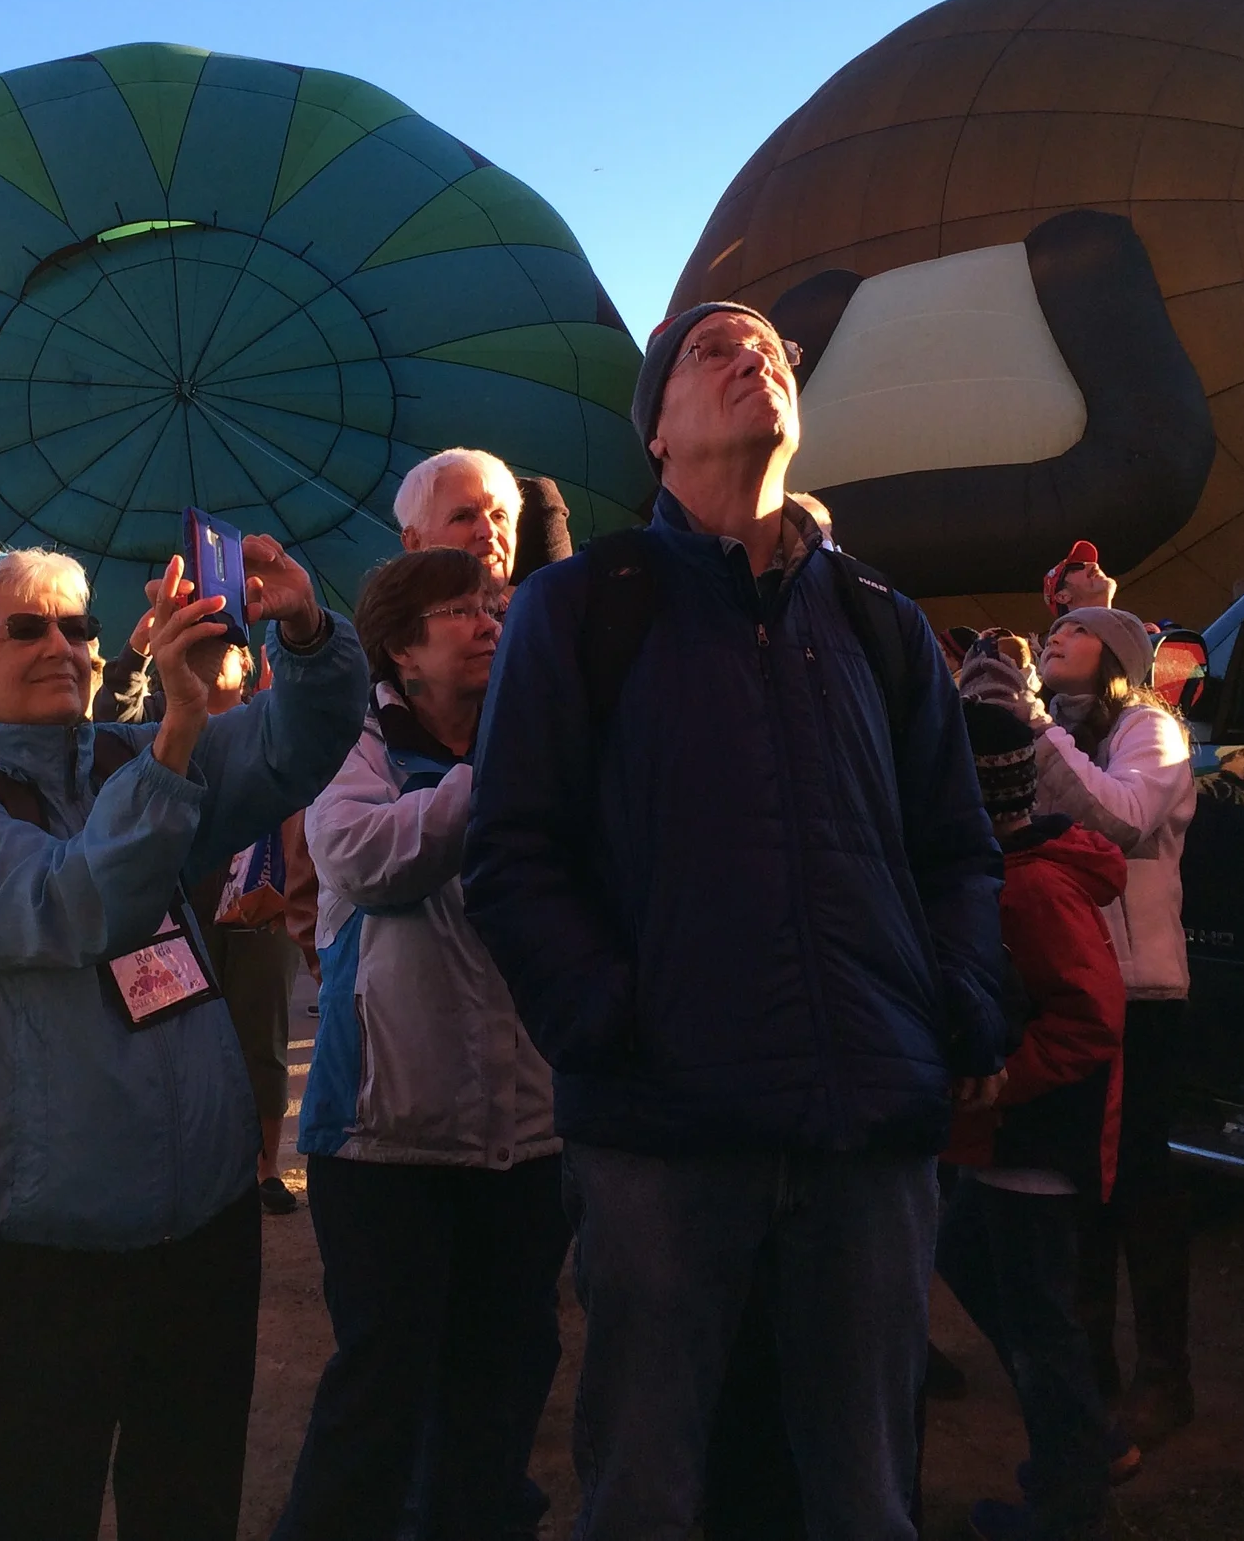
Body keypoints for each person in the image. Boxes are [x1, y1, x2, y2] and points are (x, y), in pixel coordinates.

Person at [464, 301, 1009, 1541]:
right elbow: (513, 852)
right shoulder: (582, 606)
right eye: (711, 350)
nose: (751, 358)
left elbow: (956, 847)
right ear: (655, 432)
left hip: (865, 1122)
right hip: (663, 1131)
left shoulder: (878, 617)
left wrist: (959, 1010)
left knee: (865, 1498)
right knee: (647, 1492)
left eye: (768, 349)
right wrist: (613, 1021)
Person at [0, 536, 365, 1541]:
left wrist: (307, 631)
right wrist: (178, 736)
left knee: (191, 1506)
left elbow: (296, 744)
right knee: (32, 1512)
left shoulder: (123, 755)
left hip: (203, 1232)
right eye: (27, 626)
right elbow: (79, 903)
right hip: (35, 1253)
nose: (61, 645)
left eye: (80, 625)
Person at [275, 548, 567, 1541]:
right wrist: (498, 777)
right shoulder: (353, 743)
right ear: (400, 647)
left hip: (527, 1131)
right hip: (381, 1135)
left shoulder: (540, 733)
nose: (489, 623)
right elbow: (361, 855)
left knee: (504, 1379)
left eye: (494, 607)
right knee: (383, 1383)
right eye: (460, 610)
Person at [964, 606, 1200, 1448]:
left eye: (1079, 629)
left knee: (1139, 1181)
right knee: (1081, 1190)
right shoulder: (1056, 731)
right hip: (1064, 983)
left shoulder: (1150, 730)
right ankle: (1093, 1382)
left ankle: (1164, 1374)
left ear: (1119, 656)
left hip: (1140, 990)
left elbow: (1123, 817)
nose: (1055, 635)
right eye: (1054, 628)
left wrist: (1028, 726)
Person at [937, 701, 1131, 1541]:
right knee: (969, 1260)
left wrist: (1001, 1079)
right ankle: (1083, 1438)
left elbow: (1091, 1017)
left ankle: (1068, 1499)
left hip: (1033, 1143)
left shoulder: (1033, 887)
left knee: (1037, 1322)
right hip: (1004, 1143)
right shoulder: (1009, 875)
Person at [190, 641, 311, 1216]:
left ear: (246, 659)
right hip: (188, 904)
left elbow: (297, 803)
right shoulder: (167, 727)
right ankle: (203, 1165)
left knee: (263, 1039)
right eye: (200, 644)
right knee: (190, 1038)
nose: (212, 655)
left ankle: (266, 1167)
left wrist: (290, 891)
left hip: (263, 900)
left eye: (224, 645)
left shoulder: (271, 725)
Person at [395, 445, 522, 588]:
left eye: (499, 516)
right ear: (415, 543)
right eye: (462, 517)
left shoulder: (537, 599)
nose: (489, 531)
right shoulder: (389, 603)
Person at [1043, 541, 1117, 621]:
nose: (1094, 565)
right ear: (1063, 597)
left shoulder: (1124, 625)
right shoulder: (1070, 629)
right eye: (1076, 567)